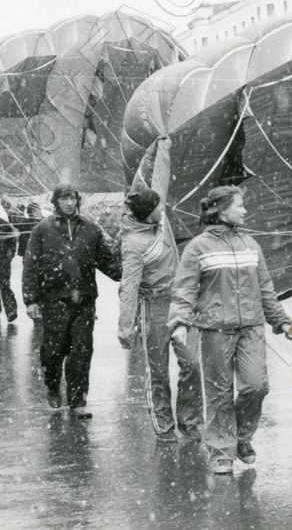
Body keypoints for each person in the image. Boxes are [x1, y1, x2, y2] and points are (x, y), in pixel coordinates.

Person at [168, 185, 292, 474]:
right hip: (215, 329)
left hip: (251, 327)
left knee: (256, 386)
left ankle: (240, 436)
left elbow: (265, 289)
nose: (245, 210)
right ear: (221, 210)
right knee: (219, 392)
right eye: (239, 205)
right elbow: (184, 289)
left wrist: (281, 321)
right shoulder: (198, 247)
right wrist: (179, 322)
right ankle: (221, 452)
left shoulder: (251, 244)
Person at [118, 137, 202, 442]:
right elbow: (129, 288)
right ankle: (164, 425)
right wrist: (125, 327)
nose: (161, 206)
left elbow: (157, 180)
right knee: (158, 371)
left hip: (179, 302)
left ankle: (189, 421)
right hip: (152, 308)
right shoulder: (133, 244)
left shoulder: (158, 216)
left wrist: (160, 149)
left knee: (192, 364)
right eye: (156, 206)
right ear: (147, 213)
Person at [23, 183, 122, 417]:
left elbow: (107, 262)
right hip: (53, 299)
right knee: (53, 351)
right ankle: (52, 385)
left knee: (81, 351)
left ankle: (78, 401)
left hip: (84, 300)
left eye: (73, 198)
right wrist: (31, 299)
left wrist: (128, 267)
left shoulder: (91, 229)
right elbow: (31, 265)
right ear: (56, 202)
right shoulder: (42, 230)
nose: (69, 203)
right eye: (64, 198)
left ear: (78, 201)